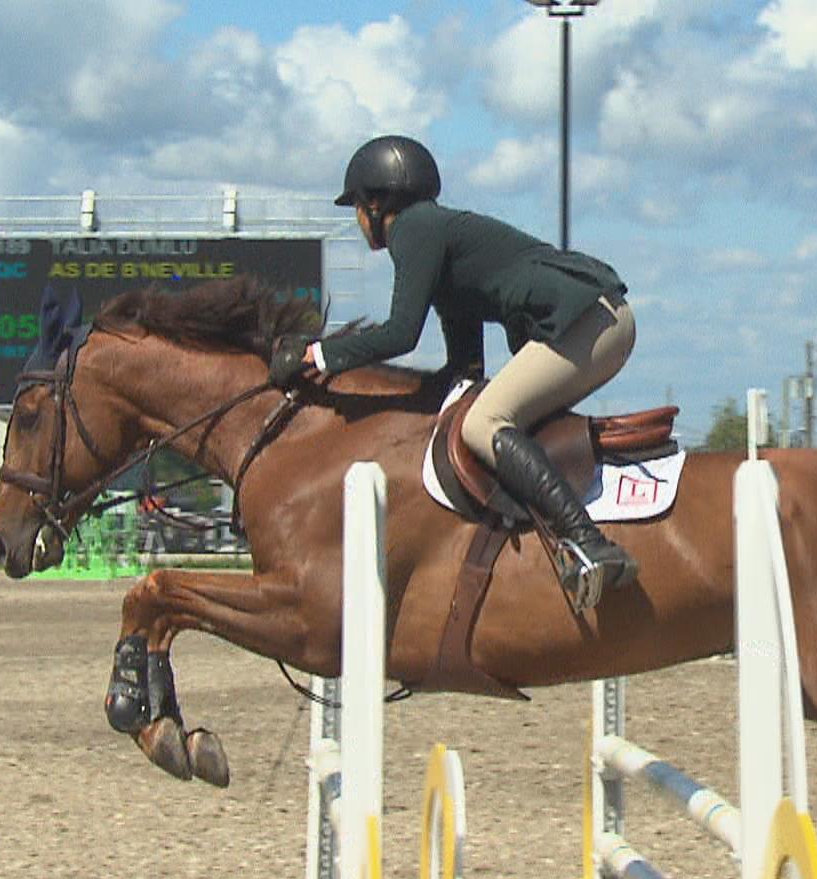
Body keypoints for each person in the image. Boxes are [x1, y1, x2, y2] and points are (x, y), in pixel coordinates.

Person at [269, 134, 639, 609]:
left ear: (378, 202)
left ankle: (589, 544)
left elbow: (402, 333)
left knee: (485, 423)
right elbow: (464, 367)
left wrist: (316, 356)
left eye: (358, 206)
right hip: (592, 319)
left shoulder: (414, 229)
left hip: (590, 321)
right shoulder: (438, 238)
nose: (359, 221)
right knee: (479, 411)